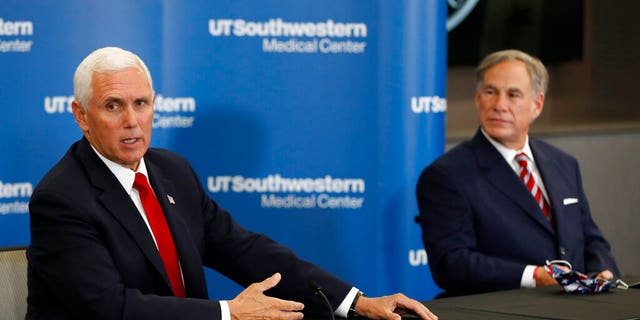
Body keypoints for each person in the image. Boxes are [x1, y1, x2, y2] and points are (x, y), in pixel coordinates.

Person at [27, 46, 438, 320]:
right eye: (113, 106)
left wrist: (356, 302)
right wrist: (228, 312)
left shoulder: (172, 170)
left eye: (142, 103)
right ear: (81, 115)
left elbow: (244, 250)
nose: (132, 121)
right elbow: (108, 308)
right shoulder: (62, 198)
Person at [415, 49, 620, 296]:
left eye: (513, 94)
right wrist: (534, 277)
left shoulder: (564, 164)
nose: (499, 105)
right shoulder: (447, 175)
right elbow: (452, 264)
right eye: (490, 92)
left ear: (537, 104)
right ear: (478, 99)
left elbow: (590, 239)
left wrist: (603, 269)